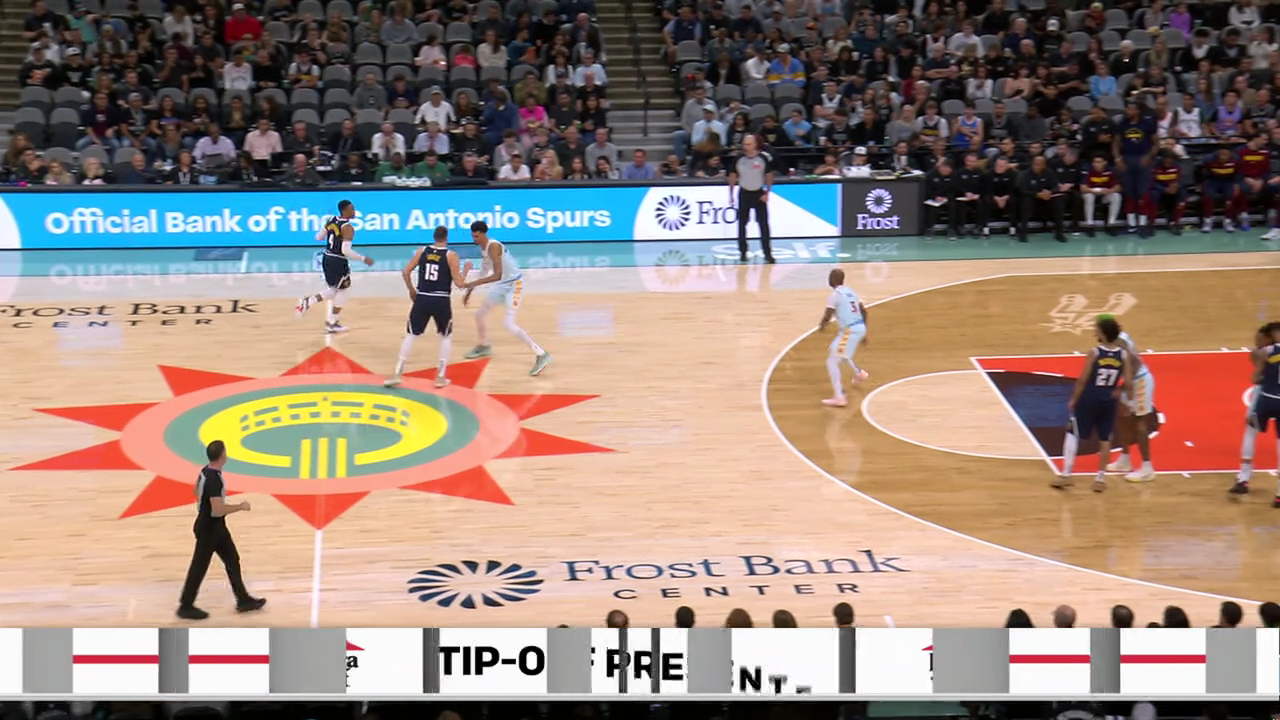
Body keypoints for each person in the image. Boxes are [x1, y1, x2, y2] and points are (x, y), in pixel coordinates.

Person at [177, 440, 266, 620]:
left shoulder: (205, 471)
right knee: (199, 567)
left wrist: (204, 503)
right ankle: (185, 606)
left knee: (232, 559)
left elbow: (196, 491)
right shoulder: (214, 479)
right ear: (222, 456)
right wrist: (240, 507)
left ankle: (243, 600)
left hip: (214, 526)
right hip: (209, 529)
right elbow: (217, 510)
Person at [384, 227, 472, 389]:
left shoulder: (422, 251)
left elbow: (406, 272)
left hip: (422, 297)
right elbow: (460, 284)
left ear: (434, 237)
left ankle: (397, 372)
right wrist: (466, 271)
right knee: (445, 336)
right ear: (446, 238)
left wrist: (411, 290)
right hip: (441, 299)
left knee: (411, 335)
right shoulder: (451, 255)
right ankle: (440, 376)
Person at [462, 221, 553, 377]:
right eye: (473, 236)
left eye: (476, 236)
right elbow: (484, 271)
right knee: (479, 314)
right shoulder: (483, 248)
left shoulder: (493, 247)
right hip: (502, 285)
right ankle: (484, 346)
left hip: (514, 285)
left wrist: (472, 284)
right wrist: (469, 291)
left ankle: (541, 354)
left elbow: (497, 274)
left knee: (509, 324)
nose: (474, 239)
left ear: (483, 234)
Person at [1053, 316, 1132, 493]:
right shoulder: (1123, 355)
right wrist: (1118, 392)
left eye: (1097, 330)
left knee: (1072, 432)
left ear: (1103, 334)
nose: (1095, 332)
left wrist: (1074, 399)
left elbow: (1082, 380)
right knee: (1105, 439)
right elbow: (1128, 382)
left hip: (1089, 398)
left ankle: (1066, 475)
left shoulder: (1095, 353)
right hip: (1108, 401)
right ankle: (1100, 479)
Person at [295, 200, 374, 333]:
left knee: (334, 289)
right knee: (343, 292)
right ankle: (332, 322)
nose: (354, 212)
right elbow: (346, 251)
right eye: (352, 209)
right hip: (338, 261)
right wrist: (363, 258)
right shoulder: (347, 228)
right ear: (344, 210)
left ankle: (308, 302)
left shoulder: (331, 220)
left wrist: (332, 237)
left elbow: (318, 237)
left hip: (327, 258)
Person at [1230, 322, 1280, 502]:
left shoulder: (1265, 352)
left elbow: (1255, 377)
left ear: (1268, 336)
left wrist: (1261, 364)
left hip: (1265, 397)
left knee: (1250, 431)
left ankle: (1243, 478)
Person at [1104, 319, 1157, 482]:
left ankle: (1147, 468)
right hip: (1130, 381)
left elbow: (1133, 367)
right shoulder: (1118, 339)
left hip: (1139, 382)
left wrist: (1122, 388)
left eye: (1097, 331)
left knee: (1139, 423)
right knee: (1122, 417)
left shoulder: (1121, 344)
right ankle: (1125, 460)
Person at [817, 268, 868, 408]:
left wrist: (822, 325)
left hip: (849, 331)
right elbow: (864, 312)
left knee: (832, 361)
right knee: (838, 351)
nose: (828, 279)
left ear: (834, 279)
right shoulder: (851, 292)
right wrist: (864, 331)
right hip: (858, 327)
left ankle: (839, 397)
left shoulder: (835, 295)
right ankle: (859, 373)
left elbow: (828, 314)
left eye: (830, 276)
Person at [727, 134, 775, 263]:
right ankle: (743, 252)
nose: (745, 146)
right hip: (744, 193)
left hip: (759, 193)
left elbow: (769, 176)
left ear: (755, 145)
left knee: (763, 225)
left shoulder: (763, 158)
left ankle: (767, 253)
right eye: (744, 144)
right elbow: (732, 175)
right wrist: (731, 194)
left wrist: (767, 193)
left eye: (748, 144)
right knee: (742, 224)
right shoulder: (738, 158)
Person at [1113, 100, 1159, 237]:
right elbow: (1115, 143)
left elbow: (1156, 144)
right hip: (1127, 159)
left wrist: (1149, 156)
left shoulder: (1147, 123)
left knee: (1143, 193)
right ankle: (1131, 225)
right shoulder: (1122, 124)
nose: (1127, 111)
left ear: (1138, 110)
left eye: (1130, 109)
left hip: (1143, 159)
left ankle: (1143, 225)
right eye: (1127, 109)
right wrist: (1117, 159)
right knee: (1129, 193)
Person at [1019, 155, 1067, 243]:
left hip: (1046, 199)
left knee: (1059, 200)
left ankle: (1059, 232)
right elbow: (1023, 190)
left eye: (1038, 165)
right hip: (1033, 198)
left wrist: (1049, 192)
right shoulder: (1027, 174)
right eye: (1034, 164)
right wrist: (1037, 194)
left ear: (1044, 165)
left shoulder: (1050, 173)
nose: (1035, 166)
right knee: (1026, 201)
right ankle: (1023, 232)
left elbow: (1056, 187)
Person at [1081, 155, 1122, 236]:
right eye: (1094, 162)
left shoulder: (1110, 170)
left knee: (1116, 196)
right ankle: (1089, 225)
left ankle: (1111, 224)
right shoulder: (1087, 170)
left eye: (1098, 162)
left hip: (1105, 194)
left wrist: (1110, 191)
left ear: (1105, 162)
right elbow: (1082, 188)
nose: (1095, 164)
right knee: (1089, 196)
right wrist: (1093, 191)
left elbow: (1118, 187)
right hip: (1091, 192)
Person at [1201, 147, 1240, 232]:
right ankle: (1207, 221)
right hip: (1212, 181)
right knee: (1208, 196)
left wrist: (1237, 184)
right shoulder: (1209, 160)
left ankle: (1228, 221)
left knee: (1231, 196)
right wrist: (1200, 183)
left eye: (1226, 155)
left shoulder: (1236, 160)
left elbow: (1238, 173)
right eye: (1222, 154)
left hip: (1228, 181)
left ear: (1230, 155)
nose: (1224, 157)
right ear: (1218, 154)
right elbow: (1200, 171)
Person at [1148, 151, 1185, 234]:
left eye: (1170, 161)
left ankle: (1174, 222)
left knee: (1182, 194)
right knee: (1153, 195)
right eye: (1165, 160)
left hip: (1172, 189)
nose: (1167, 163)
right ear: (1162, 159)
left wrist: (1176, 185)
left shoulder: (1177, 167)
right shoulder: (1154, 166)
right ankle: (1151, 223)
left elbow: (1181, 180)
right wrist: (1164, 189)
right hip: (1158, 189)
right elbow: (1151, 182)